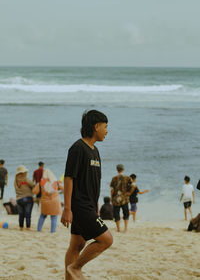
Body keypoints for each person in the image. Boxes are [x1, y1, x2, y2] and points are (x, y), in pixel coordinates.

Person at [61, 110, 113, 280]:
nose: (107, 131)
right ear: (96, 126)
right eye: (105, 127)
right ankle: (75, 268)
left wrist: (96, 206)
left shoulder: (95, 151)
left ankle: (70, 276)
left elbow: (93, 182)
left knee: (77, 244)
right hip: (79, 205)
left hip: (89, 205)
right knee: (106, 240)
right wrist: (67, 208)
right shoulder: (78, 148)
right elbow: (69, 178)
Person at [32, 169, 63, 233]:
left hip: (45, 202)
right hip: (54, 202)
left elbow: (35, 191)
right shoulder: (55, 182)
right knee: (54, 217)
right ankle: (52, 231)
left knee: (42, 216)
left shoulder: (41, 183)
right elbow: (62, 188)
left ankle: (39, 230)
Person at [110, 164, 134, 232]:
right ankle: (125, 228)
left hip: (116, 199)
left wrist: (111, 197)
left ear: (117, 170)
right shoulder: (127, 177)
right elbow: (133, 186)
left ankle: (118, 229)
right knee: (126, 213)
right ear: (123, 169)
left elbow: (112, 190)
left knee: (116, 213)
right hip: (124, 198)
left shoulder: (114, 178)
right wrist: (129, 193)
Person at [14, 165, 35, 230]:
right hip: (27, 198)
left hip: (18, 199)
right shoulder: (25, 179)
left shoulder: (15, 180)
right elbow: (33, 185)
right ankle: (28, 228)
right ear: (23, 172)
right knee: (28, 214)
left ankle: (21, 227)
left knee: (21, 215)